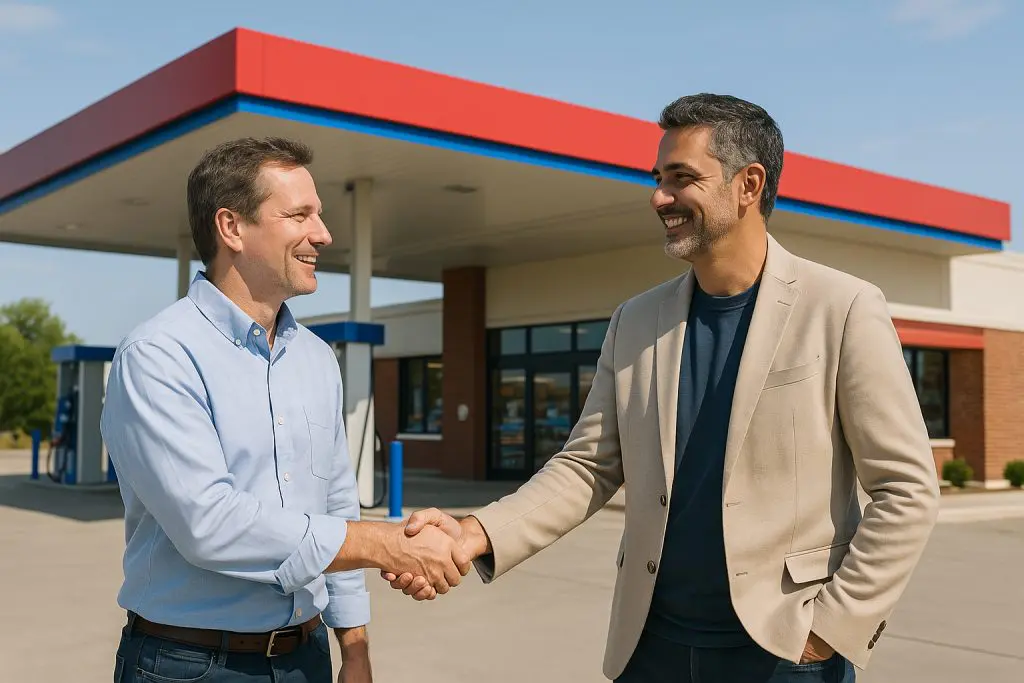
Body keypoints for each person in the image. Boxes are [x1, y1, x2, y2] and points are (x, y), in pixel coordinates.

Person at [382, 94, 941, 682]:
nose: (659, 197)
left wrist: (832, 628)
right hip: (650, 650)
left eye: (682, 179)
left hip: (784, 654)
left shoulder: (843, 308)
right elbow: (587, 466)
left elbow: (906, 488)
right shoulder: (635, 320)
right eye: (657, 179)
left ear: (748, 184)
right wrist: (474, 533)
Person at [100, 137, 470, 683]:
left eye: (318, 214)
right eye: (300, 214)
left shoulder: (317, 359)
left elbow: (336, 501)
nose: (323, 233)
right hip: (189, 665)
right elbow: (209, 522)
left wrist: (356, 647)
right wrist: (384, 544)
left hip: (307, 658)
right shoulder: (159, 356)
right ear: (231, 228)